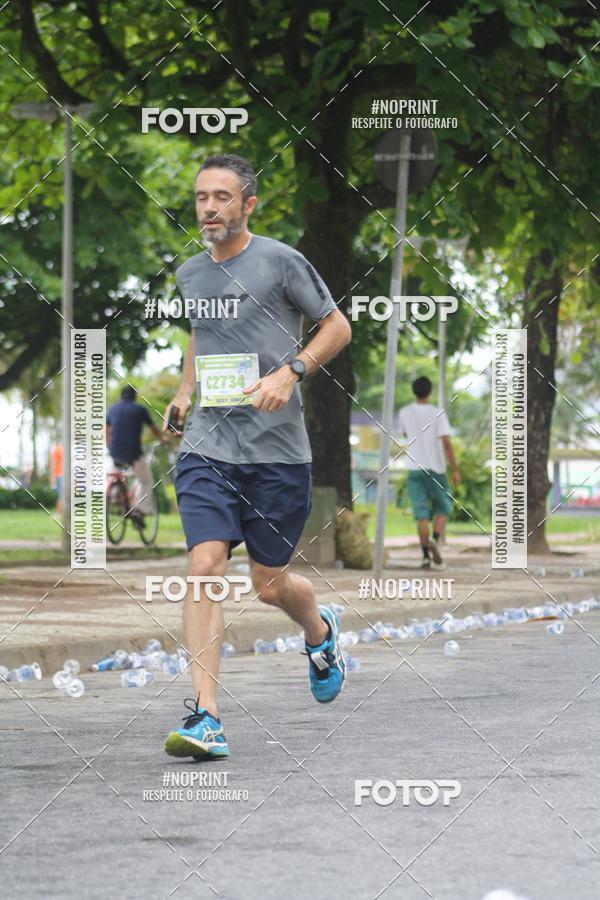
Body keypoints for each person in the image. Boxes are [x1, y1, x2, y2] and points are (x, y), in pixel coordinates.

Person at [163, 153, 351, 760]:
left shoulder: (280, 262)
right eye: (201, 197)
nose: (209, 208)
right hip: (209, 446)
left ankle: (319, 631)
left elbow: (337, 326)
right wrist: (184, 392)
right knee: (204, 567)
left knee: (269, 586)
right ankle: (206, 717)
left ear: (247, 204)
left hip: (276, 453)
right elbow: (202, 335)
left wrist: (291, 372)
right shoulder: (191, 273)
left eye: (222, 197)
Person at [397, 376, 460, 569]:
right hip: (436, 469)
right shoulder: (437, 413)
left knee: (421, 513)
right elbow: (447, 443)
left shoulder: (404, 412)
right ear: (430, 391)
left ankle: (425, 556)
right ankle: (435, 539)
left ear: (414, 391)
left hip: (414, 469)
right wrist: (455, 470)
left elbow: (405, 434)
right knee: (443, 507)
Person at [106, 385, 164, 525]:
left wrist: (109, 446)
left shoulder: (112, 410)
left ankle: (116, 494)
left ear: (121, 396)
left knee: (115, 473)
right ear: (134, 397)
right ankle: (139, 510)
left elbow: (106, 430)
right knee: (146, 481)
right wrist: (162, 439)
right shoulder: (140, 410)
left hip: (114, 454)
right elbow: (153, 428)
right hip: (134, 454)